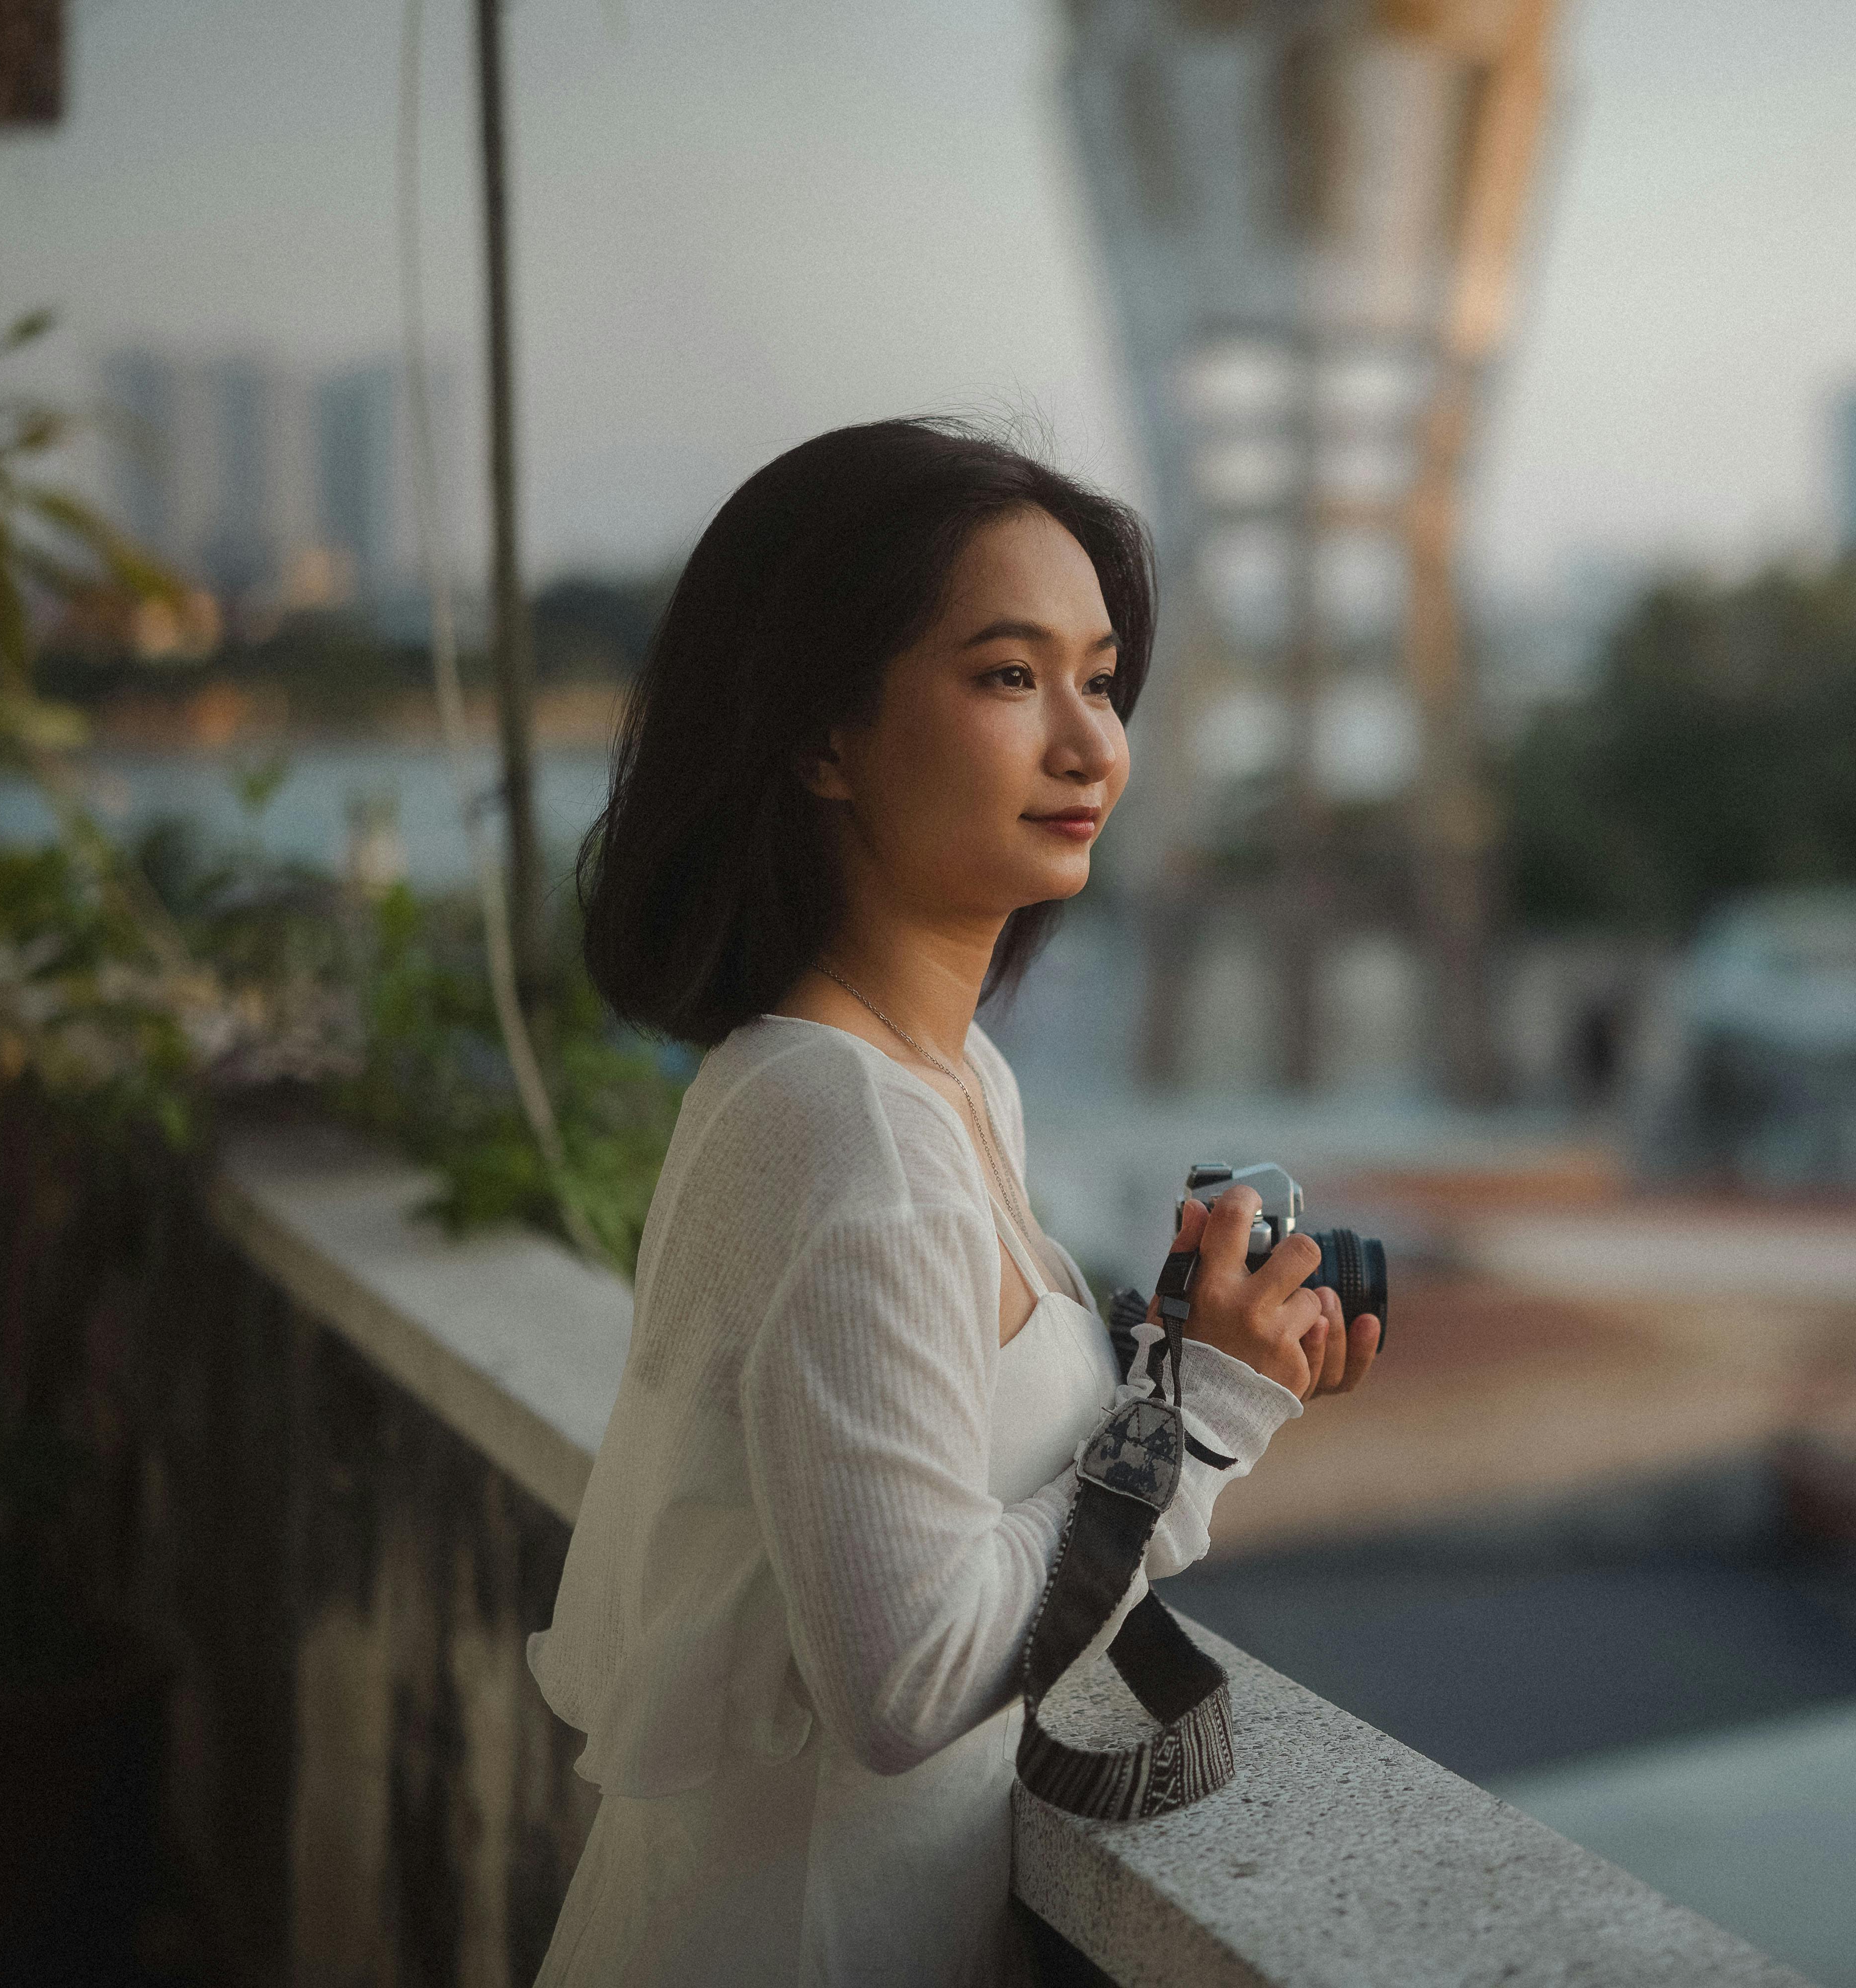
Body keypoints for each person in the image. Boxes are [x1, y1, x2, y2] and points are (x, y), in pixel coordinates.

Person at [527, 420, 1379, 1986]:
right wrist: (1199, 1414)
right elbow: (907, 1677)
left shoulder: (945, 1079)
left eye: (1102, 677)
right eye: (1007, 676)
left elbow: (964, 1489)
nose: (1092, 744)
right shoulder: (845, 1131)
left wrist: (1189, 1368)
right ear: (822, 738)